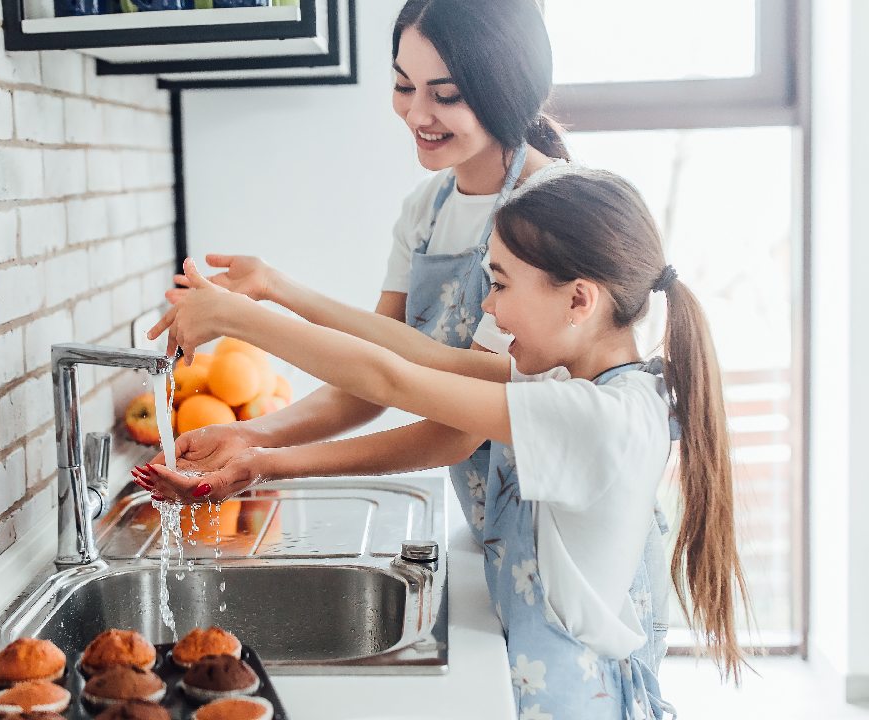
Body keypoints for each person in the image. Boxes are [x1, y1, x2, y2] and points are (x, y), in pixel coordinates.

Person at [155, 0, 669, 679]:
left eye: (446, 94)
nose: (418, 114)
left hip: (569, 550)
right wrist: (260, 435)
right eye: (403, 86)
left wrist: (254, 322)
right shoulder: (425, 213)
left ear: (504, 88)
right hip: (497, 529)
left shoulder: (543, 218)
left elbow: (450, 404)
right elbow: (380, 371)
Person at [138, 167, 752, 718]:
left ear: (578, 299)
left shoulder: (593, 417)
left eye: (502, 284)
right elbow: (422, 355)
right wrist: (275, 290)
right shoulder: (590, 381)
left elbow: (394, 380)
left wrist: (235, 321)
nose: (490, 306)